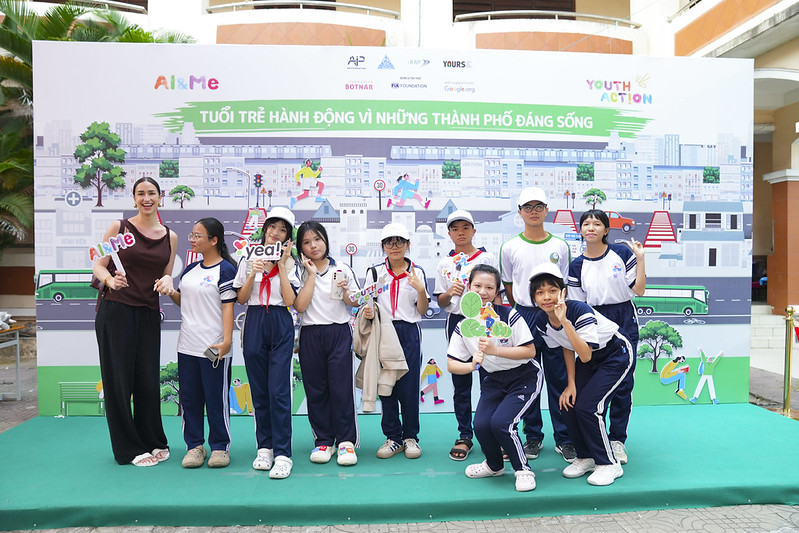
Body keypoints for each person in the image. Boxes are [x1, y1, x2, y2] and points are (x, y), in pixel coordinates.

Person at [93, 177, 178, 467]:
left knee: (147, 380)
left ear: (160, 197)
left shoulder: (170, 236)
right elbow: (98, 264)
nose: (146, 198)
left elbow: (166, 273)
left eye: (151, 193)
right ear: (133, 198)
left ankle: (152, 439)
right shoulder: (119, 227)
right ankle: (128, 449)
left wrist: (169, 280)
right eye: (140, 193)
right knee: (118, 382)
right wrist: (109, 280)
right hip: (116, 311)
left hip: (149, 312)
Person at [529, 263, 634, 486]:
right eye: (540, 292)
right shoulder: (541, 321)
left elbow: (584, 355)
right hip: (591, 357)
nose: (546, 297)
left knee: (588, 407)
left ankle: (608, 463)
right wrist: (571, 383)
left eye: (552, 290)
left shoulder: (578, 310)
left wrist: (564, 321)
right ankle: (585, 456)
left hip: (616, 353)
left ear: (563, 292)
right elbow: (565, 346)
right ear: (534, 297)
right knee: (567, 403)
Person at [447, 265, 539, 492]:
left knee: (502, 424)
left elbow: (529, 351)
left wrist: (495, 350)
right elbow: (451, 364)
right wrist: (472, 365)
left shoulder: (509, 315)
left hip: (524, 377)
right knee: (481, 425)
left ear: (497, 291)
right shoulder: (464, 325)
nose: (483, 291)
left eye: (489, 287)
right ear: (469, 288)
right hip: (493, 380)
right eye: (477, 286)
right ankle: (494, 465)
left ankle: (523, 470)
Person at [499, 187, 574, 462]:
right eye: (528, 207)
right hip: (524, 315)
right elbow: (509, 286)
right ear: (519, 212)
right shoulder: (510, 247)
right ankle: (533, 436)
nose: (533, 211)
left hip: (553, 315)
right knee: (528, 377)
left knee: (558, 378)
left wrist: (554, 311)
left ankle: (565, 438)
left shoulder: (560, 246)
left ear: (546, 210)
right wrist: (522, 311)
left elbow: (563, 286)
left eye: (538, 206)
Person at [567, 209, 645, 465]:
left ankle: (617, 439)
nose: (591, 228)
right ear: (580, 230)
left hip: (623, 316)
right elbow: (577, 304)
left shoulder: (621, 253)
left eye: (597, 224)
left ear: (606, 230)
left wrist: (640, 259)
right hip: (593, 321)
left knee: (623, 383)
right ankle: (591, 440)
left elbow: (640, 290)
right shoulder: (576, 265)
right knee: (592, 382)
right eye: (586, 224)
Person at [234, 207, 299, 479]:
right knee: (259, 391)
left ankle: (283, 453)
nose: (276, 233)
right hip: (255, 320)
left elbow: (291, 301)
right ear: (265, 229)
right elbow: (241, 298)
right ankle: (265, 448)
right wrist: (253, 272)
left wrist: (281, 266)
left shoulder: (292, 263)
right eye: (272, 227)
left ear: (287, 237)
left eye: (282, 230)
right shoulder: (248, 257)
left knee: (279, 392)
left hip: (280, 321)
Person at [168, 218, 237, 469]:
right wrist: (171, 292)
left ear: (214, 240)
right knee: (190, 399)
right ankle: (195, 446)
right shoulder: (189, 271)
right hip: (187, 346)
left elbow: (228, 308)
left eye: (198, 236)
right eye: (192, 235)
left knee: (216, 398)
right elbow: (184, 303)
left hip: (213, 348)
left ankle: (220, 447)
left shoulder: (226, 270)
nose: (193, 240)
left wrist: (227, 341)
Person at [293, 221, 361, 466]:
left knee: (341, 389)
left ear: (326, 240)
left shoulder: (341, 268)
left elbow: (356, 301)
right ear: (300, 247)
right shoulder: (298, 271)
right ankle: (323, 440)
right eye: (306, 242)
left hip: (339, 332)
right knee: (316, 390)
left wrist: (346, 292)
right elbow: (299, 306)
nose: (313, 246)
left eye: (318, 239)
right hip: (310, 334)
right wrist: (310, 274)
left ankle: (346, 442)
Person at [433, 209, 499, 461]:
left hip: (484, 320)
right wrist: (450, 292)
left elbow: (497, 293)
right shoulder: (444, 263)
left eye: (465, 228)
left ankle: (493, 433)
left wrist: (497, 322)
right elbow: (440, 302)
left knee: (490, 379)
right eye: (455, 229)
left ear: (474, 230)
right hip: (457, 322)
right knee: (461, 381)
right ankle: (465, 434)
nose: (460, 233)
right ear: (449, 233)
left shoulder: (487, 257)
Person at [364, 222, 429, 459]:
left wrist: (420, 290)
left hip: (409, 332)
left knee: (409, 387)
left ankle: (411, 437)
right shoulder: (374, 272)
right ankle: (393, 437)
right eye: (389, 242)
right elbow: (366, 303)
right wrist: (368, 311)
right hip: (383, 332)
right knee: (386, 386)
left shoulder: (417, 272)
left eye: (399, 241)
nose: (395, 246)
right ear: (383, 246)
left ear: (408, 244)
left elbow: (422, 310)